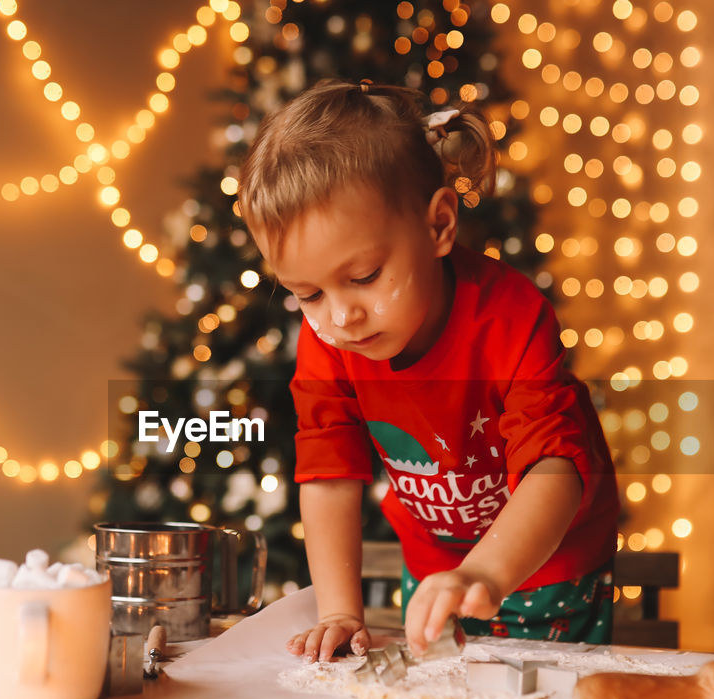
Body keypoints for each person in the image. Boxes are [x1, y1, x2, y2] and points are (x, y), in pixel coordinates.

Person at [238, 79, 619, 662]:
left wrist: (486, 574)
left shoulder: (510, 317)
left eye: (364, 276)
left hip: (549, 570)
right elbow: (330, 472)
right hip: (434, 570)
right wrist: (340, 611)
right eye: (307, 294)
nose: (341, 316)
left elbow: (556, 469)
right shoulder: (331, 342)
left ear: (439, 224)